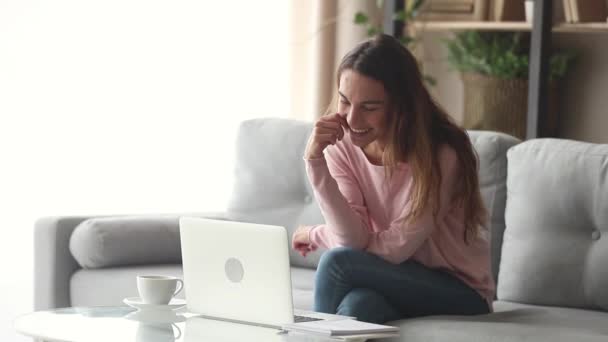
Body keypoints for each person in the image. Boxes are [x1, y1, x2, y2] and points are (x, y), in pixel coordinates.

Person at [291, 34, 494, 324]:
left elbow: (393, 247)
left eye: (370, 108)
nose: (352, 120)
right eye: (345, 101)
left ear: (402, 106)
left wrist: (317, 234)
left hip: (459, 290)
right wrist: (315, 161)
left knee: (336, 263)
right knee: (359, 306)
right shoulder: (341, 146)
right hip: (392, 276)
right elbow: (352, 237)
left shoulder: (442, 155)